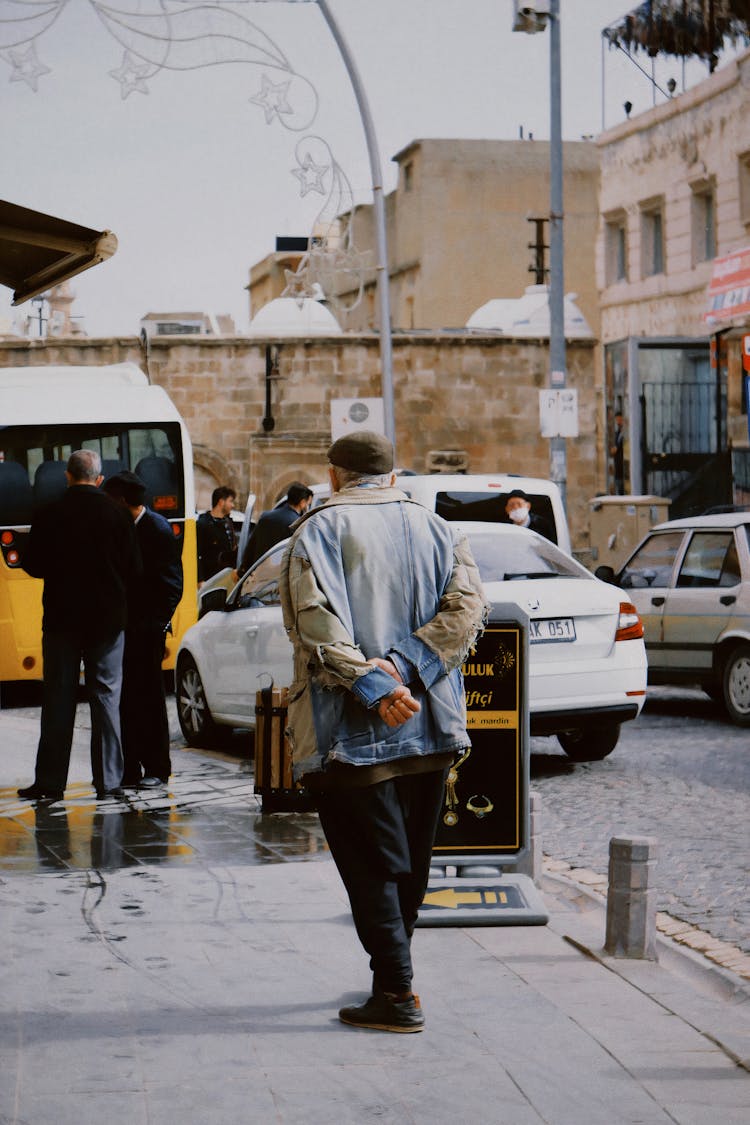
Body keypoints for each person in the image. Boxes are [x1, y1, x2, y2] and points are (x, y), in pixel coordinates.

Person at [279, 431, 487, 1033]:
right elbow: (467, 609)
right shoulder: (438, 527)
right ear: (392, 477)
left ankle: (396, 992)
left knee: (371, 865)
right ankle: (391, 976)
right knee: (410, 863)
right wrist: (406, 669)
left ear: (335, 475)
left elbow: (316, 630)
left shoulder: (316, 530)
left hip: (350, 732)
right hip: (431, 723)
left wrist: (376, 686)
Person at [18, 449, 140, 801]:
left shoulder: (49, 513)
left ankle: (50, 784)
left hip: (61, 620)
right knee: (106, 698)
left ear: (68, 476)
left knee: (58, 699)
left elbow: (33, 565)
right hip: (107, 621)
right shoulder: (118, 514)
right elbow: (134, 568)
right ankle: (109, 782)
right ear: (98, 478)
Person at [103, 470, 183, 788]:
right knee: (128, 700)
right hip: (126, 627)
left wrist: (156, 625)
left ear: (123, 500)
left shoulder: (157, 529)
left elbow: (171, 586)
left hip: (146, 630)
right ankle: (130, 767)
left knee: (148, 700)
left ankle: (157, 767)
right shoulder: (124, 526)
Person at [239, 481, 313, 573]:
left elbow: (251, 547)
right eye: (308, 504)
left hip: (258, 575)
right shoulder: (297, 524)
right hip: (278, 576)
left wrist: (243, 570)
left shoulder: (265, 516)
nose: (307, 507)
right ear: (302, 502)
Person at [196, 485, 237, 583]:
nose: (233, 505)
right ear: (221, 502)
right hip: (210, 580)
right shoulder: (203, 524)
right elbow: (196, 554)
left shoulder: (228, 523)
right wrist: (200, 580)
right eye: (230, 501)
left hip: (229, 577)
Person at [611, 411, 625, 495]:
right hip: (618, 462)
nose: (618, 422)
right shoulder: (618, 432)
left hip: (622, 462)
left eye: (620, 420)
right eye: (617, 420)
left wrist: (615, 448)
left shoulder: (624, 432)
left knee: (621, 484)